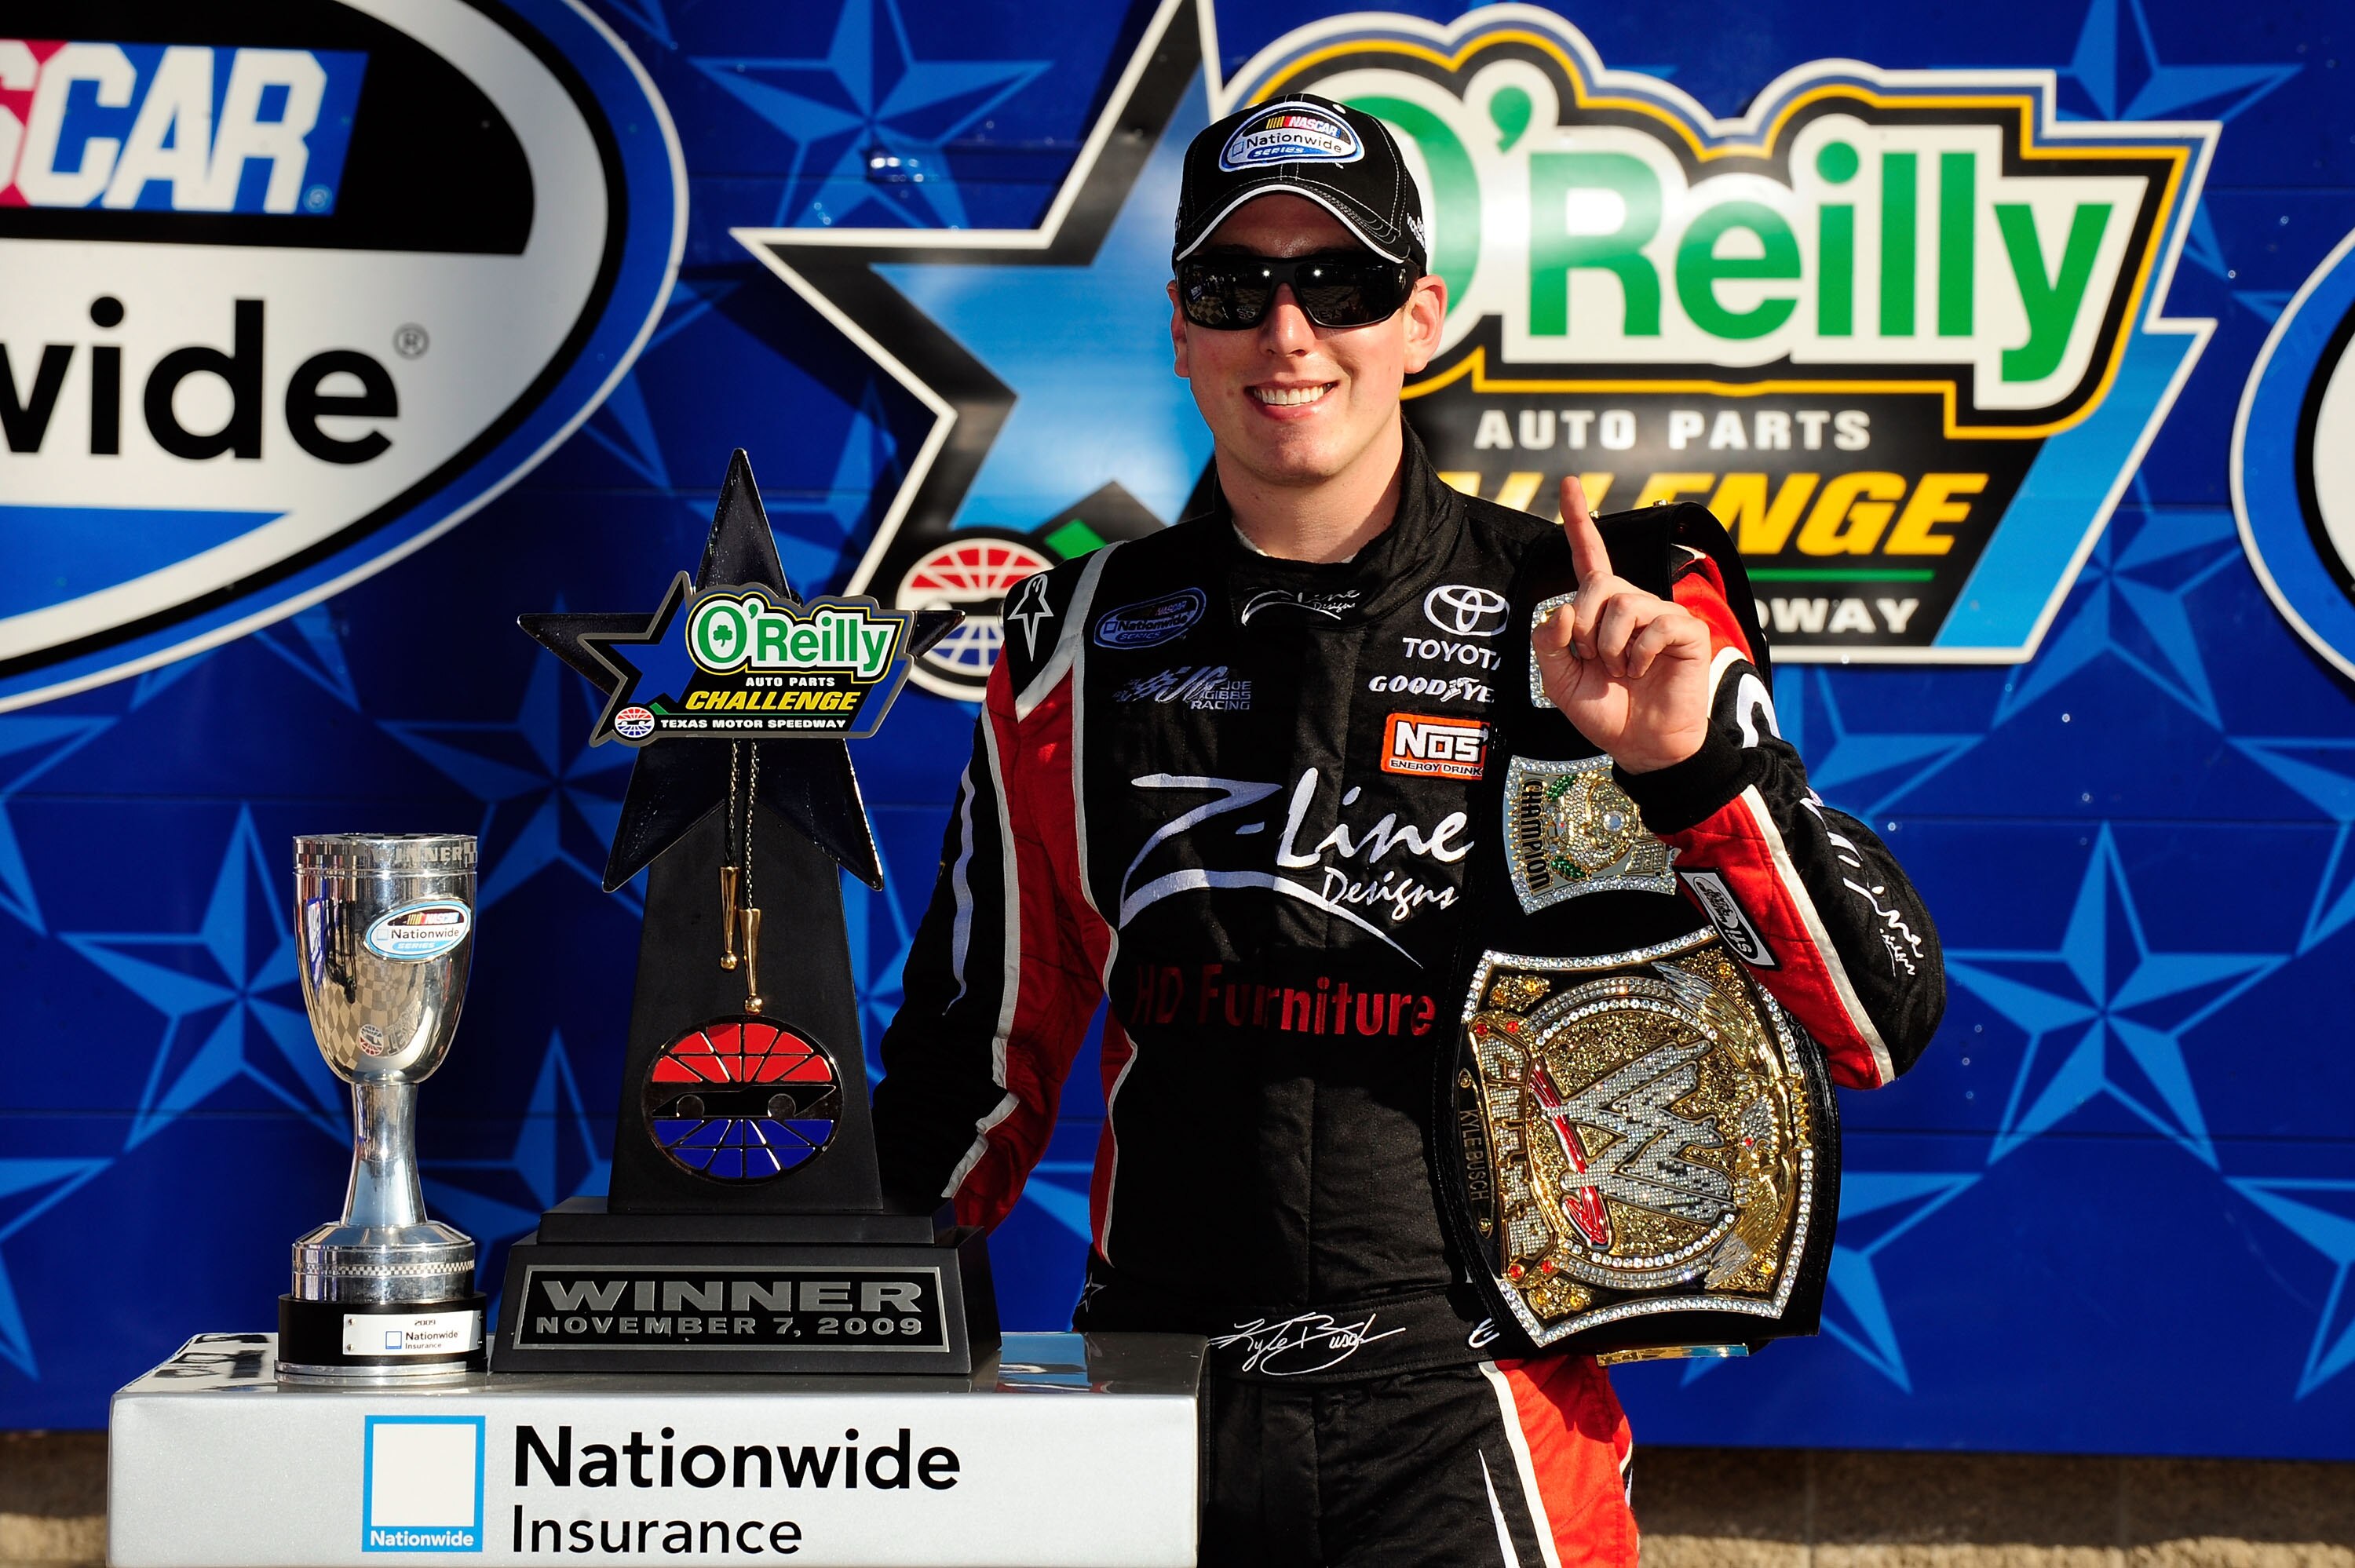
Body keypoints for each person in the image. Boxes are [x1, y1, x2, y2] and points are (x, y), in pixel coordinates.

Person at [874, 95, 1943, 1568]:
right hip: (1151, 1402)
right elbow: (975, 1056)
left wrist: (1695, 771)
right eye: (1240, 288)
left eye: (1346, 283)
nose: (1291, 330)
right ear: (1182, 329)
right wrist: (823, 1319)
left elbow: (1876, 1027)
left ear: (1420, 316)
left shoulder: (1605, 609)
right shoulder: (1075, 633)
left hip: (1478, 1410)